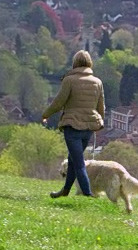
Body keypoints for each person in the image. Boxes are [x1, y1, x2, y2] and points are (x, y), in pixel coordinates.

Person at [42, 50, 105, 198]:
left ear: (75, 63)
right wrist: (100, 121)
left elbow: (59, 102)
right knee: (73, 159)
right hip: (89, 127)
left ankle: (87, 194)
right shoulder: (97, 82)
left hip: (72, 126)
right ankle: (65, 191)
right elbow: (101, 106)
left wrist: (46, 114)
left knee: (78, 163)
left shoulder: (69, 80)